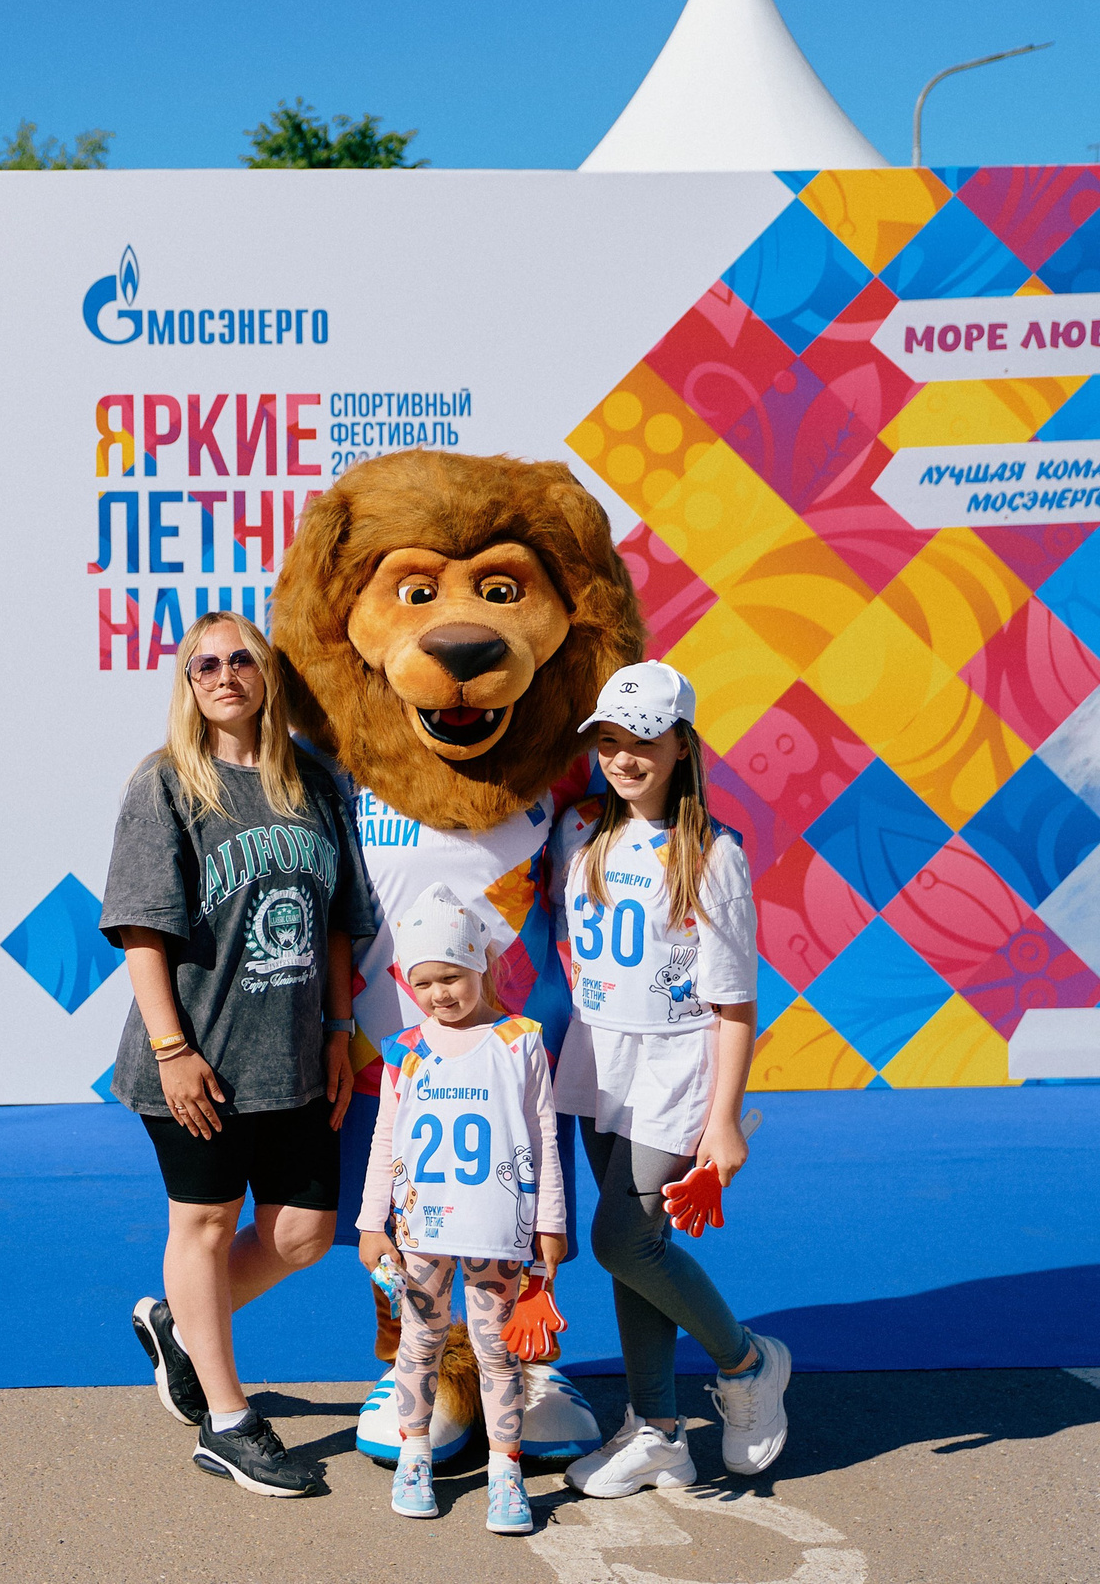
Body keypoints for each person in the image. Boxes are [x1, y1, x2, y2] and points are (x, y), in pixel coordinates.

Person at [104, 609, 378, 1497]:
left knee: (303, 1236)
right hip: (200, 1062)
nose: (225, 675)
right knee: (208, 1227)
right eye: (204, 664)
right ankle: (227, 1420)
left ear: (268, 673)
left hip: (294, 1059)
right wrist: (173, 1049)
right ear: (188, 684)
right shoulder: (166, 784)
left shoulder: (316, 784)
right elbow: (144, 929)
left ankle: (181, 1327)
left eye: (242, 660)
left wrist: (339, 1034)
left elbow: (339, 928)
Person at [550, 661, 790, 1497]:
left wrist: (722, 1121)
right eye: (609, 741)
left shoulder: (714, 855)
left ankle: (749, 1362)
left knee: (624, 1237)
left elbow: (734, 1002)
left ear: (682, 744)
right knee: (635, 1253)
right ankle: (655, 1430)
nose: (623, 757)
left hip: (674, 1071)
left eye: (642, 740)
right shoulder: (578, 835)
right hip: (598, 1062)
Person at [355, 884, 568, 1535]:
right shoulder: (404, 1049)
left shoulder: (518, 1040)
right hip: (423, 1234)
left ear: (480, 965)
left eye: (451, 976)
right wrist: (371, 1220)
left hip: (497, 1232)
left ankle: (505, 1468)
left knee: (496, 1351)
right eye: (424, 982)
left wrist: (551, 1220)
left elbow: (541, 1133)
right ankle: (414, 1453)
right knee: (417, 1345)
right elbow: (386, 1136)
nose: (440, 992)